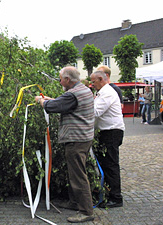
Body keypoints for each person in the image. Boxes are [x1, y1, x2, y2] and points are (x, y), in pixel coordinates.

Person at [35, 66, 95, 223]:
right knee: (75, 173)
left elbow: (53, 107)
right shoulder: (83, 89)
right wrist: (52, 99)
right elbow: (64, 103)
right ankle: (75, 202)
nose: (59, 81)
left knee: (78, 175)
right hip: (83, 138)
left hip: (76, 140)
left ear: (68, 79)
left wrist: (42, 101)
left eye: (61, 78)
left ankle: (86, 211)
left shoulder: (72, 94)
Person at [91, 70, 125, 208]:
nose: (92, 84)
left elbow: (95, 111)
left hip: (111, 132)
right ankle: (107, 192)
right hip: (105, 131)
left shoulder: (107, 93)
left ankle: (116, 197)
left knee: (111, 164)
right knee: (105, 163)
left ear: (101, 79)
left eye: (93, 82)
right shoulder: (102, 92)